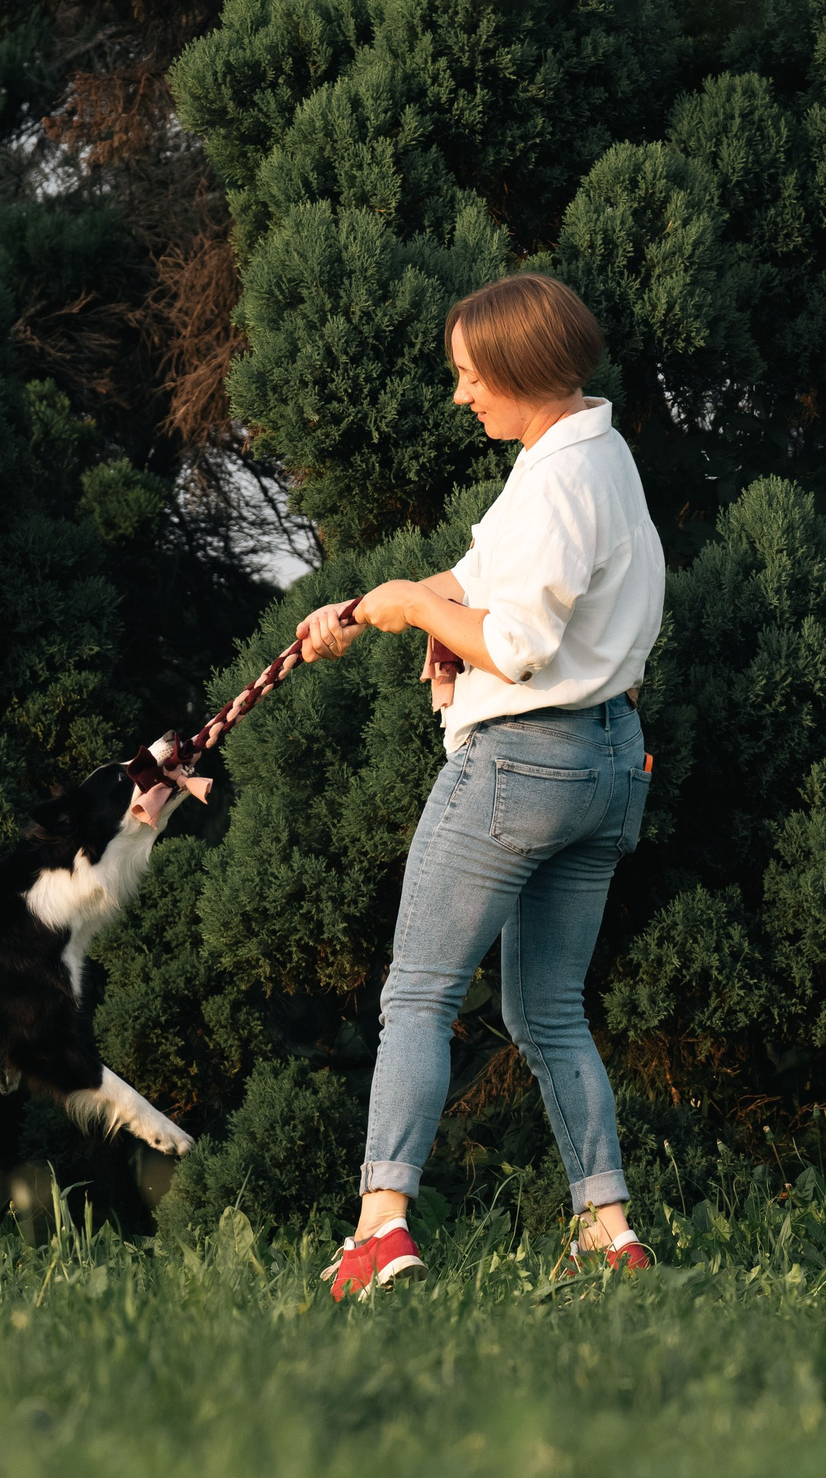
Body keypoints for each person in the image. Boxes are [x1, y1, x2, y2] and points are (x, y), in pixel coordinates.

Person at [296, 273, 666, 1299]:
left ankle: (379, 1232)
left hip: (521, 764)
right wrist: (371, 607)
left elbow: (514, 645)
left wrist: (418, 611)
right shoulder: (590, 453)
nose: (460, 397)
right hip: (605, 766)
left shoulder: (554, 483)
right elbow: (482, 576)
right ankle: (607, 1232)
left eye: (468, 376)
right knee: (547, 1011)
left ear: (520, 370)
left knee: (417, 994)